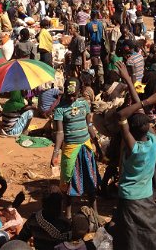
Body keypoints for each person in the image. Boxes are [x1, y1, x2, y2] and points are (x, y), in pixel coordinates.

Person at [108, 61, 156, 250]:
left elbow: (121, 116)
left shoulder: (133, 148)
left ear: (130, 131)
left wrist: (147, 101)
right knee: (150, 231)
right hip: (147, 195)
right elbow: (140, 112)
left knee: (130, 233)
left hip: (129, 197)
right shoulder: (153, 141)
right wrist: (130, 83)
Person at [51, 77, 100, 220]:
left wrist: (96, 143)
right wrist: (55, 153)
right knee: (67, 182)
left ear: (80, 92)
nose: (71, 98)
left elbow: (89, 125)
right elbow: (60, 133)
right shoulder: (60, 109)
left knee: (90, 179)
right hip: (70, 149)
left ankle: (95, 212)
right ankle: (68, 215)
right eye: (69, 95)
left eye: (74, 95)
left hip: (86, 147)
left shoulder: (84, 104)